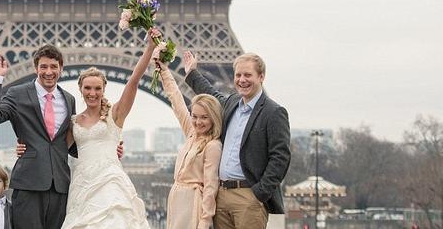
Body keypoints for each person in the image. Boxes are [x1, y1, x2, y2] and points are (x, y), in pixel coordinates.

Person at [58, 29, 158, 229]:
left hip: (110, 181)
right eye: (88, 88)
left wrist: (150, 48)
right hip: (82, 185)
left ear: (103, 89)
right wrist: (23, 147)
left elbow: (134, 81)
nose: (92, 93)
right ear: (81, 89)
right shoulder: (73, 122)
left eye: (97, 88)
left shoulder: (115, 115)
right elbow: (55, 149)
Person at [183, 51, 291, 229]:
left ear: (261, 76)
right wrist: (192, 73)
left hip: (248, 196)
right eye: (238, 75)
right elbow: (211, 95)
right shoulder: (232, 103)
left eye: (248, 75)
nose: (242, 80)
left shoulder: (274, 112)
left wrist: (259, 193)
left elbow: (281, 157)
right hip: (222, 194)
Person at [0, 45, 75, 229]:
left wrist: (107, 148)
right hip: (29, 183)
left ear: (61, 68)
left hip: (60, 185)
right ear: (36, 68)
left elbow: (69, 144)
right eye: (43, 67)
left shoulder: (69, 99)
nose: (48, 72)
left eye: (53, 66)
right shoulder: (18, 94)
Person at [157, 58, 223, 229]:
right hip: (177, 200)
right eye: (194, 116)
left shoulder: (213, 146)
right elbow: (176, 100)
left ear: (213, 118)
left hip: (193, 202)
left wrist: (205, 220)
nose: (198, 122)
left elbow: (210, 186)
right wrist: (164, 71)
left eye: (204, 117)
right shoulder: (192, 133)